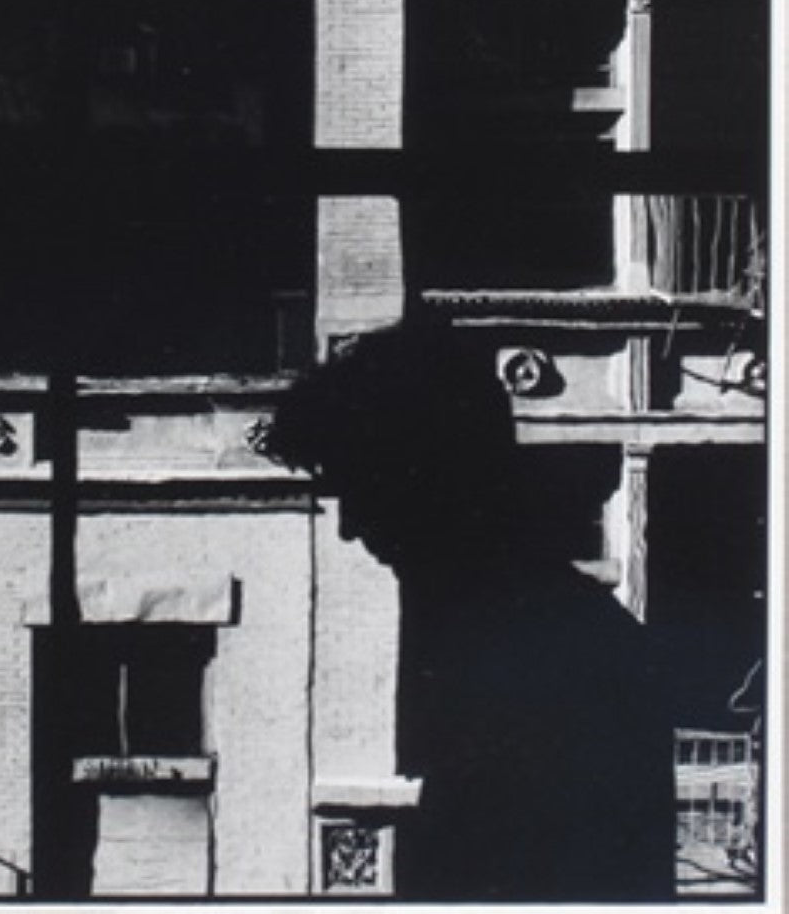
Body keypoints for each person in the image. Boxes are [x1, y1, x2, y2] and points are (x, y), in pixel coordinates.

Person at [263, 314, 677, 902]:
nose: (350, 529)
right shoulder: (534, 641)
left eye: (360, 485)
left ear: (431, 476)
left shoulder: (550, 666)